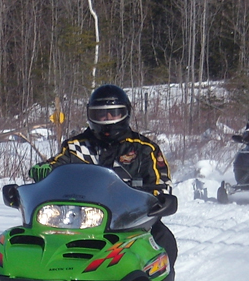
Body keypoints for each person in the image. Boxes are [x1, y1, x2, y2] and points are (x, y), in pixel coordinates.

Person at [27, 84, 176, 263]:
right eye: (101, 114)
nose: (107, 119)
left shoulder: (144, 148)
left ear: (125, 113)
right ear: (90, 115)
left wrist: (158, 199)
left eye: (113, 113)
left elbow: (161, 181)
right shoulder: (77, 146)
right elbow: (60, 162)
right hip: (80, 216)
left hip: (128, 217)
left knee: (163, 239)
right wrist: (46, 170)